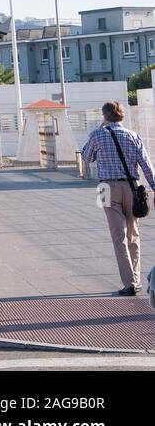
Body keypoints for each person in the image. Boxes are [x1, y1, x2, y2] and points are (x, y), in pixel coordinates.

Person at [80, 101, 155, 296]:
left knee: (117, 235)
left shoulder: (97, 135)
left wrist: (98, 129)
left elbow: (86, 158)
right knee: (133, 234)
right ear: (121, 115)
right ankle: (136, 279)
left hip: (105, 187)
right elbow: (146, 166)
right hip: (132, 186)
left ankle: (129, 283)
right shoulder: (133, 136)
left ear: (104, 116)